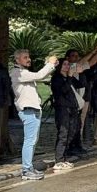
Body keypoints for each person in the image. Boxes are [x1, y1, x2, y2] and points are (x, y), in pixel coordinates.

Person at [10, 50, 58, 180]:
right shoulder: (18, 73)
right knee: (29, 141)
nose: (28, 59)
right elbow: (39, 75)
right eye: (25, 57)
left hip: (33, 109)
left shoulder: (24, 72)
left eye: (28, 57)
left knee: (32, 140)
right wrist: (50, 64)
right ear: (17, 60)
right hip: (28, 110)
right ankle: (26, 170)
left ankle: (29, 167)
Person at [51, 59, 85, 169]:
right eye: (64, 64)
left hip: (73, 108)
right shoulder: (57, 78)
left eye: (68, 64)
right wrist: (69, 77)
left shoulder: (69, 78)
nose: (66, 66)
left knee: (72, 132)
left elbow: (81, 84)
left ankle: (64, 157)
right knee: (63, 133)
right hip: (63, 109)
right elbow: (63, 90)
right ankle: (59, 159)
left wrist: (80, 73)